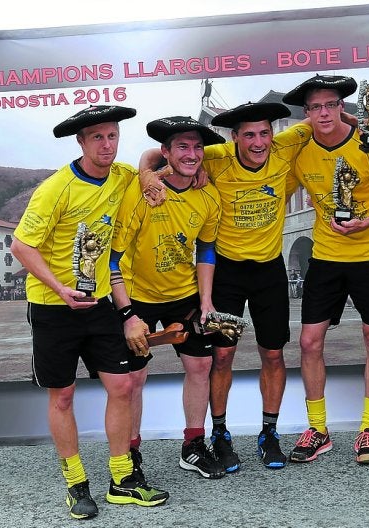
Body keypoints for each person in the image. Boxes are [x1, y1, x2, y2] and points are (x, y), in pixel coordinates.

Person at [11, 106, 169, 520]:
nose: (106, 144)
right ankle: (76, 484)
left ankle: (122, 480)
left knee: (122, 387)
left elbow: (155, 157)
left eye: (112, 135)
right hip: (53, 307)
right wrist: (59, 288)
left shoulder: (121, 176)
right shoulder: (56, 188)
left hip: (98, 304)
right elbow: (21, 247)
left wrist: (147, 175)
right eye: (97, 137)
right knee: (63, 395)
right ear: (80, 142)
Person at [140, 102, 312, 471]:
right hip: (227, 275)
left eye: (264, 133)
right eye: (249, 135)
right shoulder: (216, 156)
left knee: (273, 355)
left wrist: (355, 118)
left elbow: (324, 119)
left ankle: (269, 433)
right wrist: (145, 176)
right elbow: (155, 154)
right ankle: (220, 433)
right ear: (234, 138)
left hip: (268, 273)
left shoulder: (286, 145)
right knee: (221, 356)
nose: (258, 142)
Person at [281, 74, 369, 465]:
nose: (323, 113)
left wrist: (368, 221)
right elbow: (274, 188)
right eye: (315, 107)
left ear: (341, 107)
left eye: (330, 105)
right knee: (309, 342)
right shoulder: (300, 152)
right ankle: (318, 429)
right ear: (307, 113)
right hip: (327, 256)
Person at [110, 116, 226, 480]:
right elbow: (112, 259)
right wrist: (127, 314)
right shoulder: (142, 192)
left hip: (183, 294)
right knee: (134, 379)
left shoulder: (209, 195)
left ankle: (193, 446)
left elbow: (206, 250)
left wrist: (205, 300)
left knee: (201, 367)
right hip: (138, 296)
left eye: (197, 147)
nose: (191, 154)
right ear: (166, 152)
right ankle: (131, 451)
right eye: (182, 146)